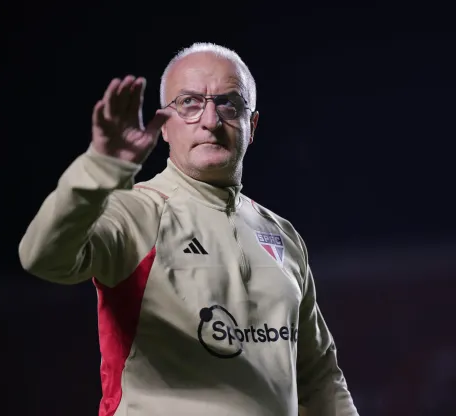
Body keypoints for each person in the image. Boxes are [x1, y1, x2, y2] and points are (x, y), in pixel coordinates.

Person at [18, 42, 358, 416]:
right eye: (190, 103)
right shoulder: (135, 212)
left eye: (229, 103)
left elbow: (319, 377)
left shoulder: (283, 235)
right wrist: (100, 167)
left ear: (252, 125)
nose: (211, 121)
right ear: (164, 124)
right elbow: (43, 258)